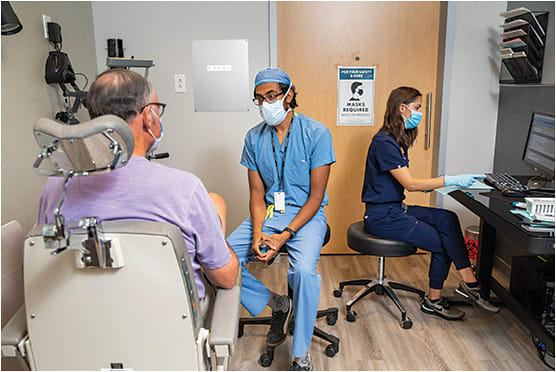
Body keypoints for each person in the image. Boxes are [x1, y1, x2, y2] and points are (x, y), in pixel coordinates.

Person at [37, 68, 239, 304]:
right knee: (216, 204)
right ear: (149, 116)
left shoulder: (55, 188)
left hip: (81, 325)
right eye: (157, 110)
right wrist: (214, 226)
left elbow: (48, 258)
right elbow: (225, 278)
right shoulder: (185, 188)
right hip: (170, 327)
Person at [227, 68, 335, 371]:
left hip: (306, 216)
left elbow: (316, 197)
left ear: (289, 95)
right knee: (222, 258)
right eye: (259, 99)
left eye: (271, 96)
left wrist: (283, 236)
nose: (265, 104)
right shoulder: (253, 137)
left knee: (302, 272)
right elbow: (256, 194)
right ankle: (277, 302)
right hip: (271, 213)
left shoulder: (317, 133)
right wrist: (258, 233)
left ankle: (300, 353)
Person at [361, 86, 499, 320]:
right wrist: (451, 180)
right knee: (441, 243)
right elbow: (411, 184)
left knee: (447, 218)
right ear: (402, 109)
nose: (419, 113)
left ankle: (469, 281)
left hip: (396, 209)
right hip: (382, 217)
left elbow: (406, 183)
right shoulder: (384, 142)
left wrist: (456, 185)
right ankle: (433, 301)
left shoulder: (396, 139)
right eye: (417, 108)